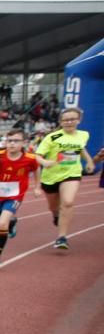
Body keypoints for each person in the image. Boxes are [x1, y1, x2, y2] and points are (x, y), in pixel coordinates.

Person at [33, 107, 97, 250]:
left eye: (72, 119)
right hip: (51, 176)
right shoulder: (52, 137)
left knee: (68, 202)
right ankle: (56, 215)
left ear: (78, 120)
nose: (69, 122)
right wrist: (44, 162)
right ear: (60, 122)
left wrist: (89, 161)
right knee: (53, 207)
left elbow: (81, 148)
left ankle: (62, 237)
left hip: (72, 173)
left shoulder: (83, 135)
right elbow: (38, 155)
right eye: (65, 120)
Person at [0, 129, 39, 270]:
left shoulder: (30, 159)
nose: (12, 144)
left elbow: (36, 170)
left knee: (1, 224)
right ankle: (12, 222)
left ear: (23, 142)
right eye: (9, 141)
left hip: (15, 196)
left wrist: (37, 186)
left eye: (16, 141)